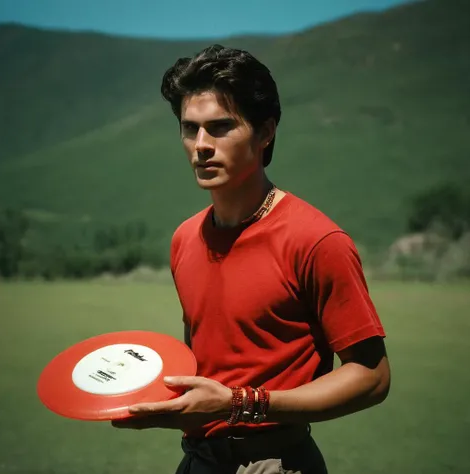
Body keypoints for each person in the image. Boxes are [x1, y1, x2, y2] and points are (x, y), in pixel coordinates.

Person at [113, 44, 390, 473]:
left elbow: (372, 378)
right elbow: (204, 362)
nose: (200, 145)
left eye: (220, 127)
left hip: (274, 460)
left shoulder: (316, 240)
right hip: (198, 461)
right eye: (190, 128)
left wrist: (241, 404)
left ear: (266, 132)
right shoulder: (185, 238)